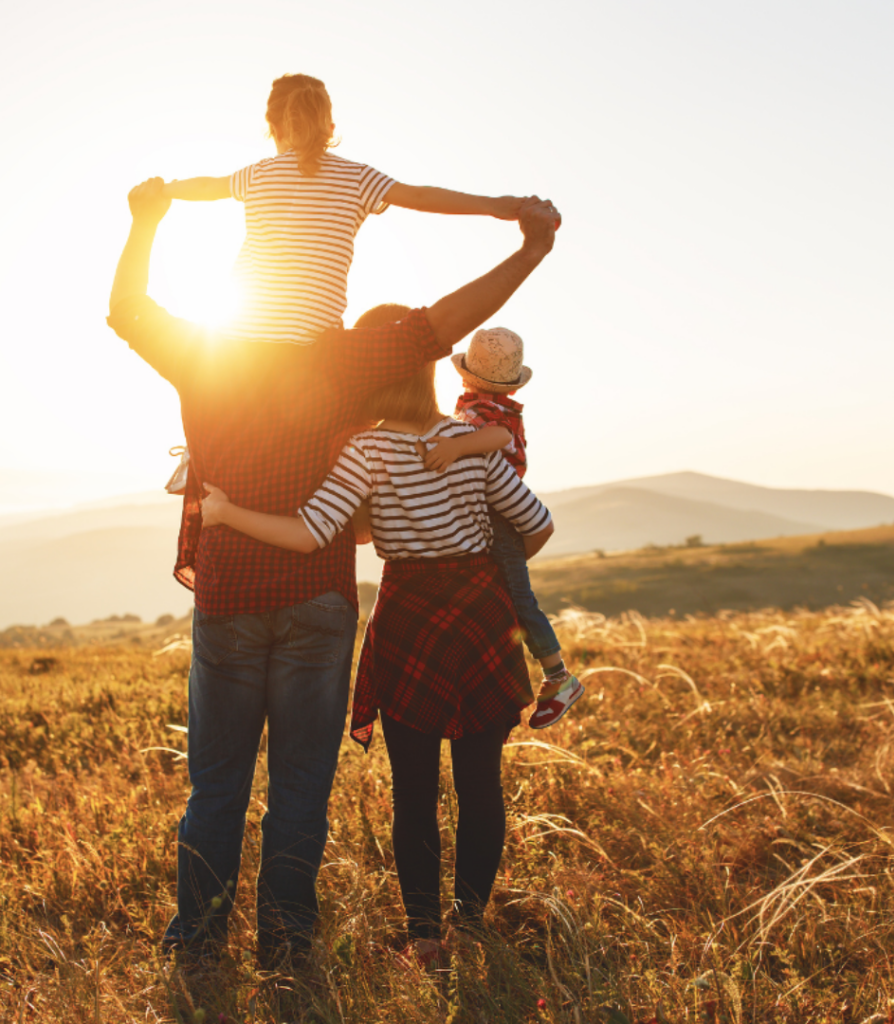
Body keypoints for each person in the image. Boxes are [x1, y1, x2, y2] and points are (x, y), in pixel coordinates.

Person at [106, 176, 561, 967]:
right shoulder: (349, 356)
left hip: (229, 597)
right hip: (320, 600)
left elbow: (128, 309)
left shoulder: (204, 351)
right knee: (301, 789)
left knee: (216, 786)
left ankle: (199, 943)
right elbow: (448, 322)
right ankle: (287, 945)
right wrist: (529, 247)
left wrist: (146, 222)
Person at [199, 331, 555, 966]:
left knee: (412, 791)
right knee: (481, 786)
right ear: (427, 376)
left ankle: (425, 937)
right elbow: (538, 524)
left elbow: (311, 534)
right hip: (478, 616)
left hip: (409, 618)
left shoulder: (366, 449)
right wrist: (481, 570)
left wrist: (225, 514)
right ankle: (469, 926)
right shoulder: (466, 440)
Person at [163, 73, 525, 346]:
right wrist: (495, 205)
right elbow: (421, 197)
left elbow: (208, 186)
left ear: (272, 128)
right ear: (330, 127)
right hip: (312, 342)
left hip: (239, 335)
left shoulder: (258, 174)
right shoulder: (357, 177)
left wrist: (164, 190)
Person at [421, 326, 584, 727]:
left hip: (498, 513)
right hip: (493, 512)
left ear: (465, 374)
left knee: (517, 598)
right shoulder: (485, 405)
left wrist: (456, 447)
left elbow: (496, 438)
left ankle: (558, 676)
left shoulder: (488, 413)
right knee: (500, 596)